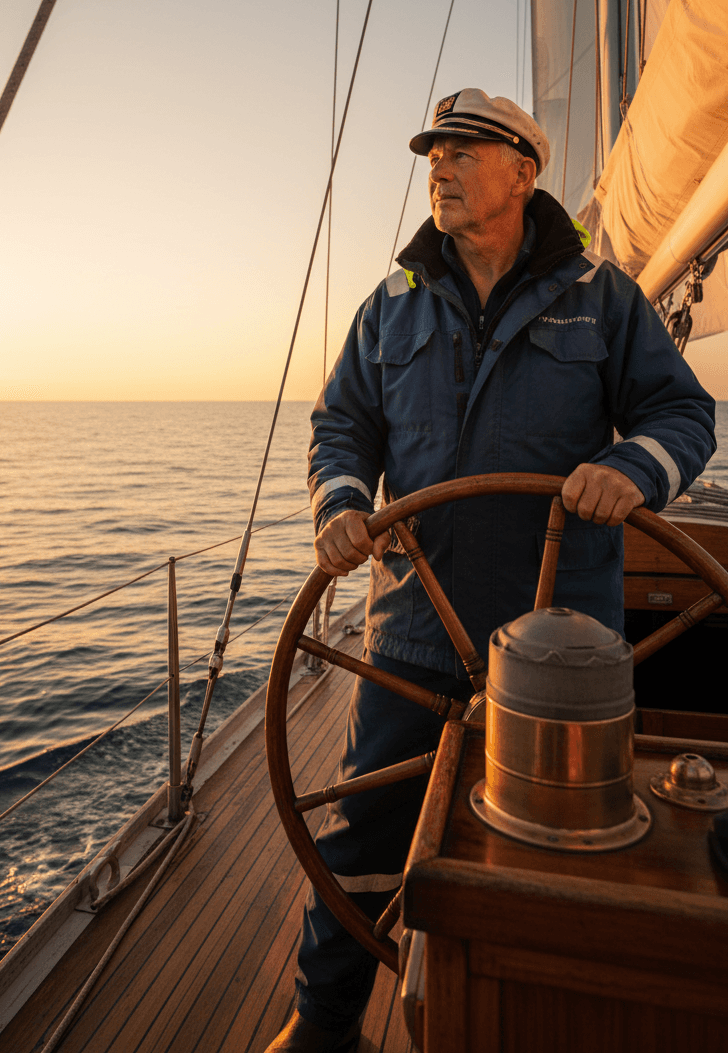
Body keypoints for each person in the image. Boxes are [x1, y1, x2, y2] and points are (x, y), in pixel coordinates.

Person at [266, 88, 716, 1052]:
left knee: (566, 852)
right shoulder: (390, 307)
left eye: (465, 150)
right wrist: (340, 505)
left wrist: (632, 467)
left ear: (524, 169)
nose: (440, 166)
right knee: (359, 836)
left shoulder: (602, 296)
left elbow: (683, 417)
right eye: (435, 152)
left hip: (563, 640)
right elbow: (341, 426)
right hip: (412, 631)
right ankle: (324, 1021)